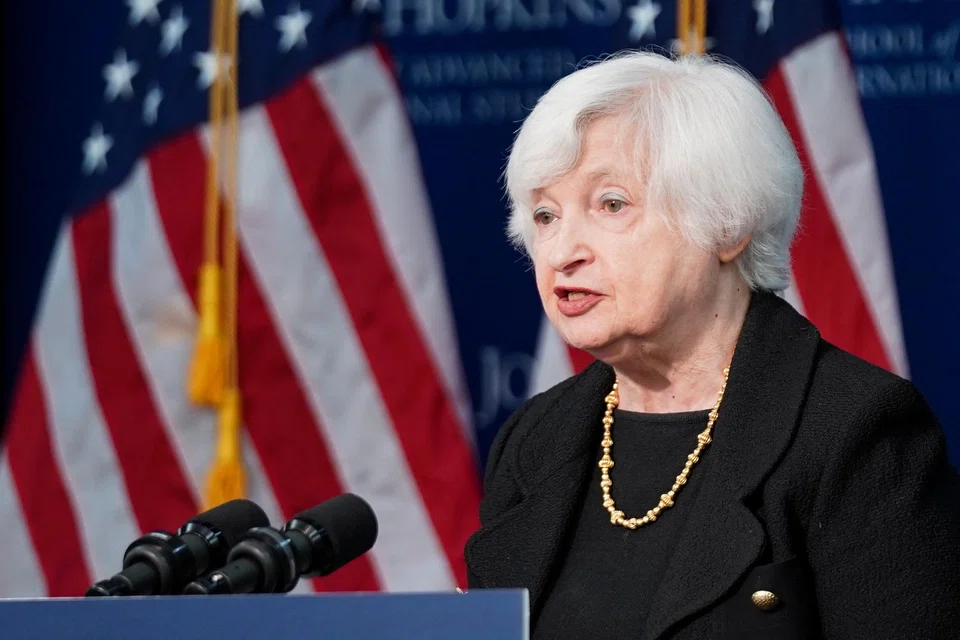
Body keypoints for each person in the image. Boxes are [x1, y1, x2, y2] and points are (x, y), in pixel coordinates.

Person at [463, 51, 960, 640]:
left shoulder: (852, 430)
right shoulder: (535, 441)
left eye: (612, 204)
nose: (562, 250)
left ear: (727, 225)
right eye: (545, 215)